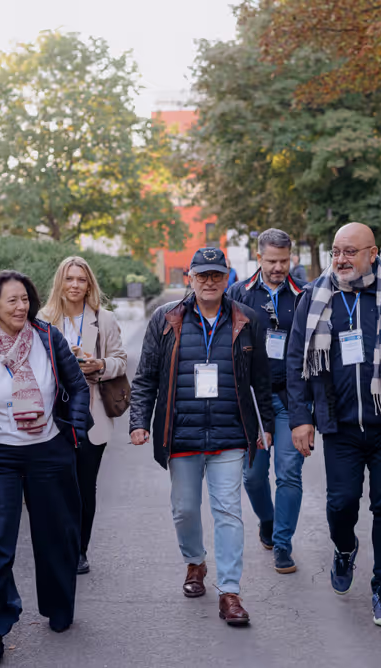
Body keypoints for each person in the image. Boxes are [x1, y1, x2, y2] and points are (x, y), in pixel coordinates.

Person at [286, 223, 381, 628]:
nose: (341, 259)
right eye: (336, 251)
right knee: (341, 504)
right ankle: (344, 547)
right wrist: (301, 418)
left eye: (350, 251)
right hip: (339, 428)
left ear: (373, 253)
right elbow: (294, 363)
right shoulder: (316, 297)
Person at [0, 270, 91, 663]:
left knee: (56, 536)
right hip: (0, 457)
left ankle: (60, 609)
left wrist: (72, 433)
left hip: (48, 451)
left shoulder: (47, 337)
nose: (21, 306)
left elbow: (77, 387)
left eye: (25, 298)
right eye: (12, 300)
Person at [130, 247, 274, 626]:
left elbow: (262, 381)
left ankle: (230, 592)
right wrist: (139, 420)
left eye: (216, 275)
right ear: (189, 279)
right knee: (185, 509)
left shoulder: (248, 320)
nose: (209, 282)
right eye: (202, 275)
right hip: (181, 435)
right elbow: (145, 377)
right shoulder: (166, 319)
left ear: (227, 278)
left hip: (230, 433)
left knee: (228, 512)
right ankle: (195, 562)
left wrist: (267, 426)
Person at [40, 257, 128, 576]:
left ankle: (79, 550)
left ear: (89, 284)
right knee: (56, 485)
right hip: (55, 416)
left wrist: (100, 365)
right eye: (69, 279)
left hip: (93, 415)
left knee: (83, 486)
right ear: (60, 283)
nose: (75, 285)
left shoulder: (103, 320)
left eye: (81, 279)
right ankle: (59, 544)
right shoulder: (44, 320)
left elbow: (120, 360)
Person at [226, 229, 306, 574]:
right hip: (252, 401)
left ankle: (283, 545)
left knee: (289, 473)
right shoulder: (238, 294)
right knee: (254, 477)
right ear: (259, 258)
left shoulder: (304, 296)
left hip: (291, 399)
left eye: (284, 261)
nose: (278, 268)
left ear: (292, 258)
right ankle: (268, 521)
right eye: (272, 261)